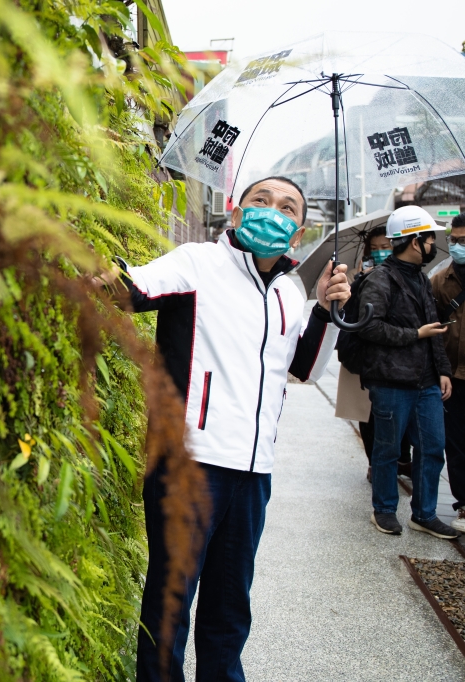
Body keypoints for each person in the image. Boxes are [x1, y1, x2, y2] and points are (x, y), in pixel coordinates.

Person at [100, 176, 350, 682]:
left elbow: (300, 368)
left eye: (287, 208)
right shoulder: (197, 263)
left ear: (298, 233)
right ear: (236, 211)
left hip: (253, 473)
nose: (273, 212)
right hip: (189, 463)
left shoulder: (289, 289)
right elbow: (129, 288)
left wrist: (324, 309)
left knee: (230, 608)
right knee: (171, 606)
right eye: (262, 201)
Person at [354, 205, 457, 539]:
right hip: (391, 381)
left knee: (432, 447)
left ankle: (424, 513)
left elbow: (434, 328)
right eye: (430, 239)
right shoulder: (380, 279)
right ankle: (384, 510)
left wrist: (442, 370)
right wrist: (415, 335)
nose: (433, 245)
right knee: (388, 450)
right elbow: (369, 328)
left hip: (426, 382)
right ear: (415, 242)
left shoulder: (422, 280)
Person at [432, 211, 465, 534]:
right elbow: (432, 329)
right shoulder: (439, 281)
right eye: (455, 241)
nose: (459, 247)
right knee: (458, 446)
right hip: (452, 380)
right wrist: (439, 370)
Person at [354, 225, 412, 481]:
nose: (379, 253)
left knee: (400, 416)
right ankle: (373, 463)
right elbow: (350, 315)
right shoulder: (360, 277)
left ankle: (402, 459)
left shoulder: (408, 275)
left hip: (398, 357)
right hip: (361, 357)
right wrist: (359, 282)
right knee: (365, 415)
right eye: (374, 249)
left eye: (385, 247)